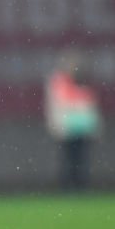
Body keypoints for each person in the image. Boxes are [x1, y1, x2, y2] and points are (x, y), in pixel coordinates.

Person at [45, 53, 101, 190]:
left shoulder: (82, 81)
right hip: (67, 127)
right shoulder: (60, 81)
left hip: (81, 127)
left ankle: (81, 185)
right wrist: (56, 124)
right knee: (68, 158)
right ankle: (67, 186)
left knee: (81, 158)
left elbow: (88, 105)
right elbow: (59, 104)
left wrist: (94, 126)